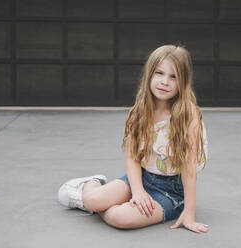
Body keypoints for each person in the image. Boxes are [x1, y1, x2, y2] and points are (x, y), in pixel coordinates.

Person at [58, 45, 209, 234]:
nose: (165, 82)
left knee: (119, 217)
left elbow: (188, 168)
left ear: (183, 81)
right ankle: (92, 183)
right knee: (92, 201)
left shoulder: (189, 116)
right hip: (141, 178)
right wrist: (138, 191)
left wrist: (189, 212)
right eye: (159, 73)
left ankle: (100, 205)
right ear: (149, 75)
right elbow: (132, 157)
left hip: (171, 192)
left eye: (174, 76)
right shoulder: (141, 111)